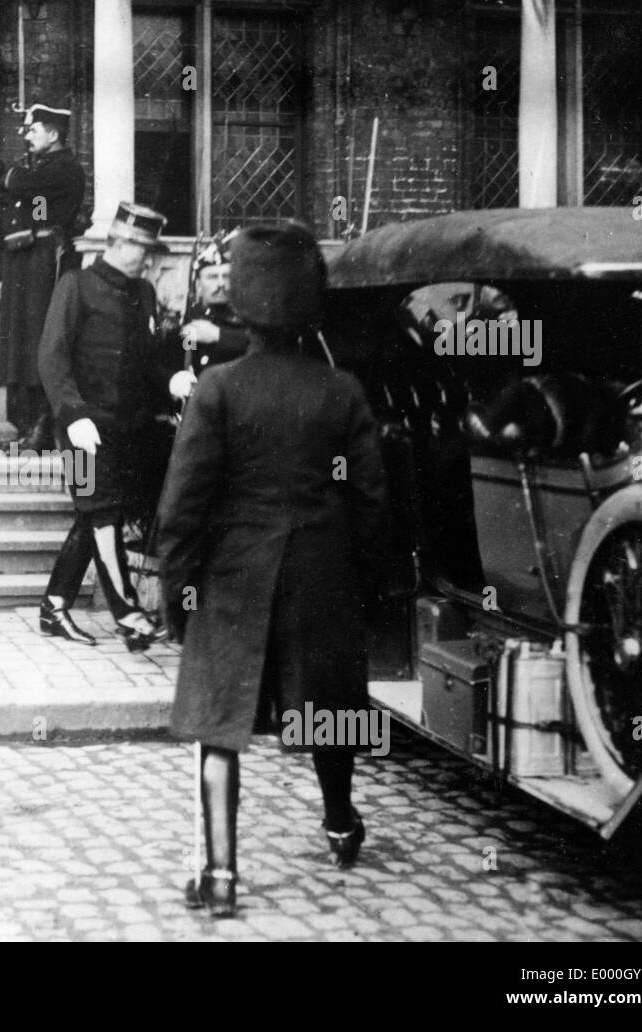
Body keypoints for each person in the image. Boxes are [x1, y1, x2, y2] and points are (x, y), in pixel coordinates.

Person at [156, 221, 389, 917]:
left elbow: (182, 506)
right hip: (322, 576)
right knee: (327, 711)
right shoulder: (342, 391)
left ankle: (220, 877)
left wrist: (178, 590)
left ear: (242, 305)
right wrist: (367, 589)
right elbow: (372, 503)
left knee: (218, 722)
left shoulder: (218, 388)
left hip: (232, 575)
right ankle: (341, 823)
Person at [37, 201, 174, 652]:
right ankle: (129, 614)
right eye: (143, 250)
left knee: (94, 511)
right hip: (80, 432)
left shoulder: (145, 295)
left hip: (125, 430)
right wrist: (72, 416)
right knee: (103, 513)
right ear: (117, 243)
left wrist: (170, 378)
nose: (149, 260)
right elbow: (51, 358)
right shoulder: (75, 285)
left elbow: (149, 363)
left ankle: (54, 606)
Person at [0, 103, 86, 453]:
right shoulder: (44, 169)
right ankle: (27, 427)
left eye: (34, 130)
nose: (27, 136)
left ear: (53, 133)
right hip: (27, 261)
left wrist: (13, 180)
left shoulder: (65, 170)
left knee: (38, 339)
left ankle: (41, 430)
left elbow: (28, 189)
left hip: (46, 262)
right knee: (21, 338)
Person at [167, 230, 248, 403]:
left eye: (226, 276)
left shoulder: (248, 323)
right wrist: (173, 381)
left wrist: (218, 336)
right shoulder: (190, 326)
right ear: (198, 284)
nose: (220, 284)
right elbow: (173, 363)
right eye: (212, 276)